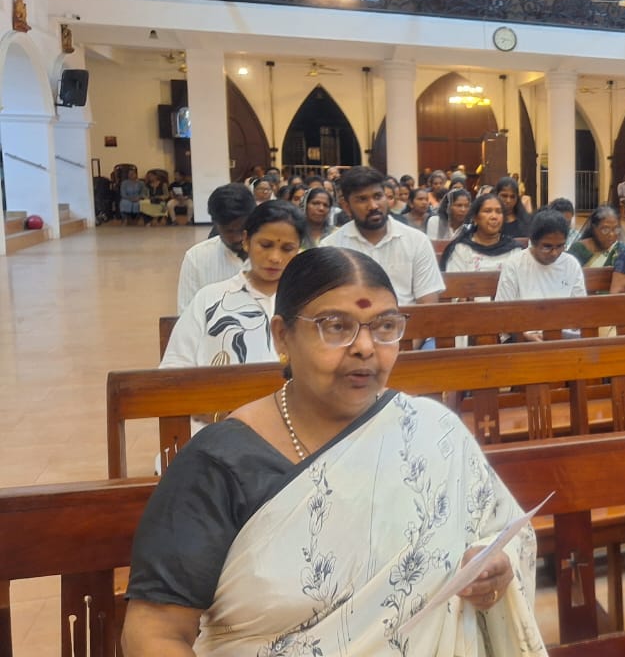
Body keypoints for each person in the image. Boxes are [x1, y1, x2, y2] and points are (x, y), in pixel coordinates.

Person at [122, 248, 545, 655]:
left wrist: (497, 569)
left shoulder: (432, 431)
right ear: (282, 335)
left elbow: (505, 534)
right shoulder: (219, 463)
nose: (365, 347)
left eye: (383, 326)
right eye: (336, 326)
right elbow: (153, 633)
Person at [162, 201, 303, 371]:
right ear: (246, 241)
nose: (275, 257)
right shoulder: (209, 299)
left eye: (287, 248)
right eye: (265, 245)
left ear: (299, 249)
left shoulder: (308, 301)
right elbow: (174, 366)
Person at [321, 166, 445, 305]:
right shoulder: (331, 247)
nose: (373, 206)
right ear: (346, 207)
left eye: (378, 196)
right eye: (362, 199)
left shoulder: (417, 241)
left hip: (407, 323)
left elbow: (427, 304)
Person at [496, 211, 588, 340]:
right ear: (533, 242)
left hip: (561, 339)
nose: (554, 253)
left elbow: (579, 310)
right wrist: (525, 335)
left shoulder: (571, 264)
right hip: (522, 340)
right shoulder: (515, 264)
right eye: (547, 247)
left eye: (560, 246)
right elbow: (502, 313)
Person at [177, 184, 258, 312]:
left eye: (242, 230)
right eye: (229, 231)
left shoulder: (274, 255)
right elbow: (187, 315)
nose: (237, 238)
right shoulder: (196, 258)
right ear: (216, 224)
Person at [441, 192, 523, 273]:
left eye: (498, 212)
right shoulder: (462, 249)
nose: (494, 217)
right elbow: (455, 282)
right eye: (487, 211)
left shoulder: (514, 250)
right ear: (475, 217)